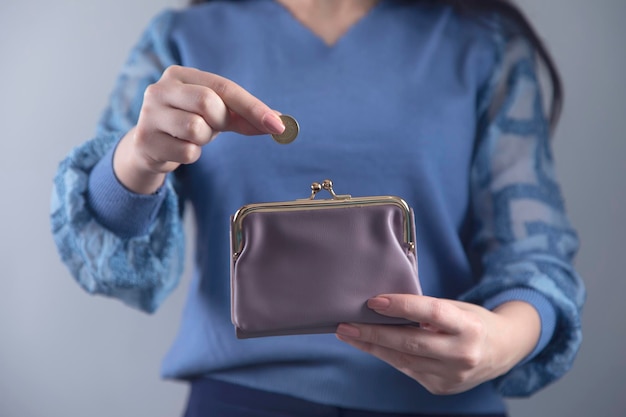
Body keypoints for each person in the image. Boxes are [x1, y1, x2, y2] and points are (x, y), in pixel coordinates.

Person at [50, 0, 586, 415]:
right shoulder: (183, 39)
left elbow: (534, 252)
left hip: (442, 398)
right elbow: (108, 254)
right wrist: (139, 158)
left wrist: (503, 340)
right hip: (241, 402)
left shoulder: (483, 42)